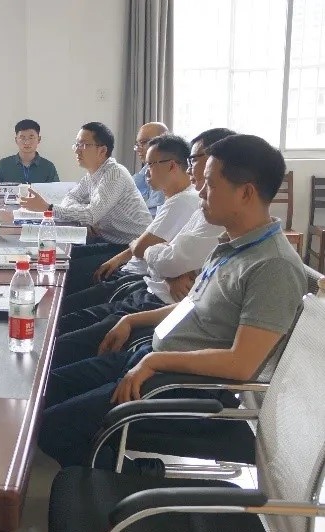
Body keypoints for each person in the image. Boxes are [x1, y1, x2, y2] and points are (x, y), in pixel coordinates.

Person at [37, 134, 307, 469]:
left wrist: (156, 362)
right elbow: (191, 304)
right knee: (48, 385)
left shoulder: (273, 266)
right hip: (150, 357)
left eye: (210, 184)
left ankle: (137, 478)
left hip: (179, 385)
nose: (201, 192)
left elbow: (241, 364)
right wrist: (132, 320)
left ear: (246, 192)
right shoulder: (232, 244)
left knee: (52, 427)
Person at [50, 133, 225, 368]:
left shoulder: (188, 203)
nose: (145, 171)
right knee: (64, 304)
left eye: (150, 164)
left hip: (143, 290)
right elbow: (157, 253)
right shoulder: (193, 205)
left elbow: (148, 250)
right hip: (143, 286)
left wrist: (159, 258)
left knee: (60, 329)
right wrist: (160, 260)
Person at [20, 122, 152, 293]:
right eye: (76, 144)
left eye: (83, 145)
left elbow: (90, 215)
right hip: (110, 241)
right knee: (62, 257)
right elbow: (70, 198)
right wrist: (87, 216)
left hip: (131, 249)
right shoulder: (93, 174)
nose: (77, 150)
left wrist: (49, 207)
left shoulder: (114, 173)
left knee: (67, 270)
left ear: (102, 150)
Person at [0, 119, 60, 184]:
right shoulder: (3, 165)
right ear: (16, 140)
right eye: (22, 138)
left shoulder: (48, 167)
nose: (27, 143)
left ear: (39, 139)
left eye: (31, 138)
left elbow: (56, 190)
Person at [132, 122, 169, 216]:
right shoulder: (144, 172)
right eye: (137, 144)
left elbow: (154, 215)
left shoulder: (168, 174)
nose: (138, 149)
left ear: (164, 141)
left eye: (143, 142)